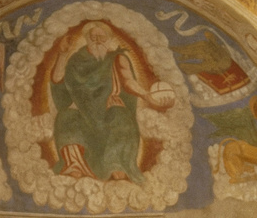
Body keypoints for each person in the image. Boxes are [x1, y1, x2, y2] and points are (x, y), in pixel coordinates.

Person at [50, 21, 173, 184]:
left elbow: (129, 81)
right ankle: (75, 165)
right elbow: (58, 79)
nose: (98, 40)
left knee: (121, 117)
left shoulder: (117, 58)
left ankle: (117, 166)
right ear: (87, 39)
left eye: (102, 37)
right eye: (93, 37)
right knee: (65, 117)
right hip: (82, 107)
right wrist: (62, 55)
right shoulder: (76, 60)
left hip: (109, 105)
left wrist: (146, 96)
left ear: (108, 39)